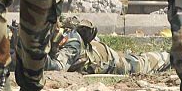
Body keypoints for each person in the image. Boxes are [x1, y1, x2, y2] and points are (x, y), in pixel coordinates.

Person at [41, 16, 173, 75]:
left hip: (107, 60)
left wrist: (35, 54)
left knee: (141, 64)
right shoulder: (55, 35)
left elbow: (57, 68)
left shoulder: (71, 42)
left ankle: (176, 57)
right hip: (95, 50)